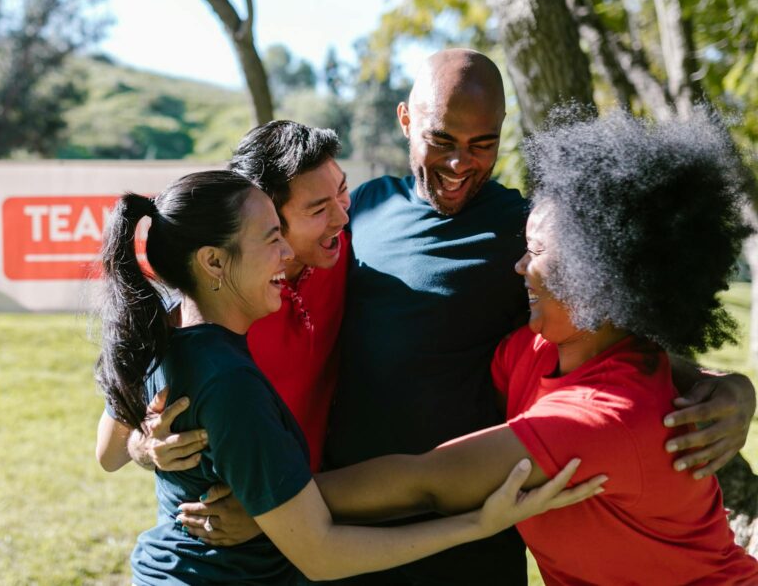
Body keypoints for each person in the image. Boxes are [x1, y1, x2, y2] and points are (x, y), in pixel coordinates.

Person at [94, 169, 601, 584]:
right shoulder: (228, 383)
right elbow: (322, 553)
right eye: (273, 239)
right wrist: (477, 524)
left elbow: (113, 451)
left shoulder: (162, 331)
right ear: (213, 262)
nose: (288, 253)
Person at [315, 109, 758, 584]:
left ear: (598, 272)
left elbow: (429, 484)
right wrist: (732, 385)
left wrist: (275, 501)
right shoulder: (539, 351)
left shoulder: (603, 418)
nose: (520, 266)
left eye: (539, 252)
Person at [97, 121, 351, 475]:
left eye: (342, 190)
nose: (342, 215)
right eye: (318, 209)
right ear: (266, 215)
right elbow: (109, 453)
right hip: (242, 510)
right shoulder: (204, 312)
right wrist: (147, 446)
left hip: (318, 496)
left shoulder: (346, 246)